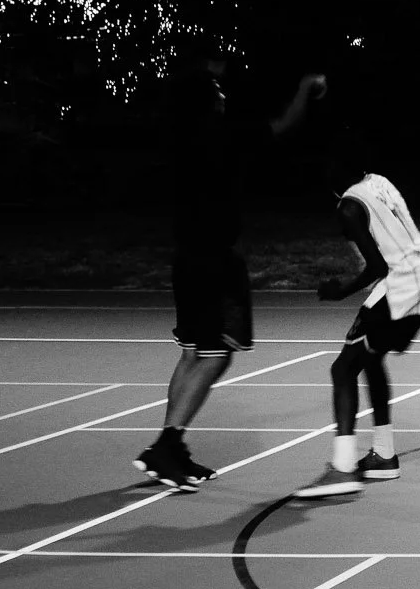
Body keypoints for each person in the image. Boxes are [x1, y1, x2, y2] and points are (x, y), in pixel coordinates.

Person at [135, 58, 326, 492]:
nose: (224, 94)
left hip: (187, 259)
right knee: (217, 354)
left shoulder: (179, 138)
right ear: (203, 102)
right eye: (216, 90)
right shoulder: (222, 136)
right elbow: (282, 126)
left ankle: (169, 448)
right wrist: (304, 88)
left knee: (192, 354)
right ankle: (168, 445)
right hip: (214, 263)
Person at [293, 158, 420, 498]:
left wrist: (339, 292)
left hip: (401, 285)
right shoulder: (378, 181)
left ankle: (343, 468)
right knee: (371, 359)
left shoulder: (348, 207)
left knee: (343, 368)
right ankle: (384, 455)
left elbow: (377, 265)